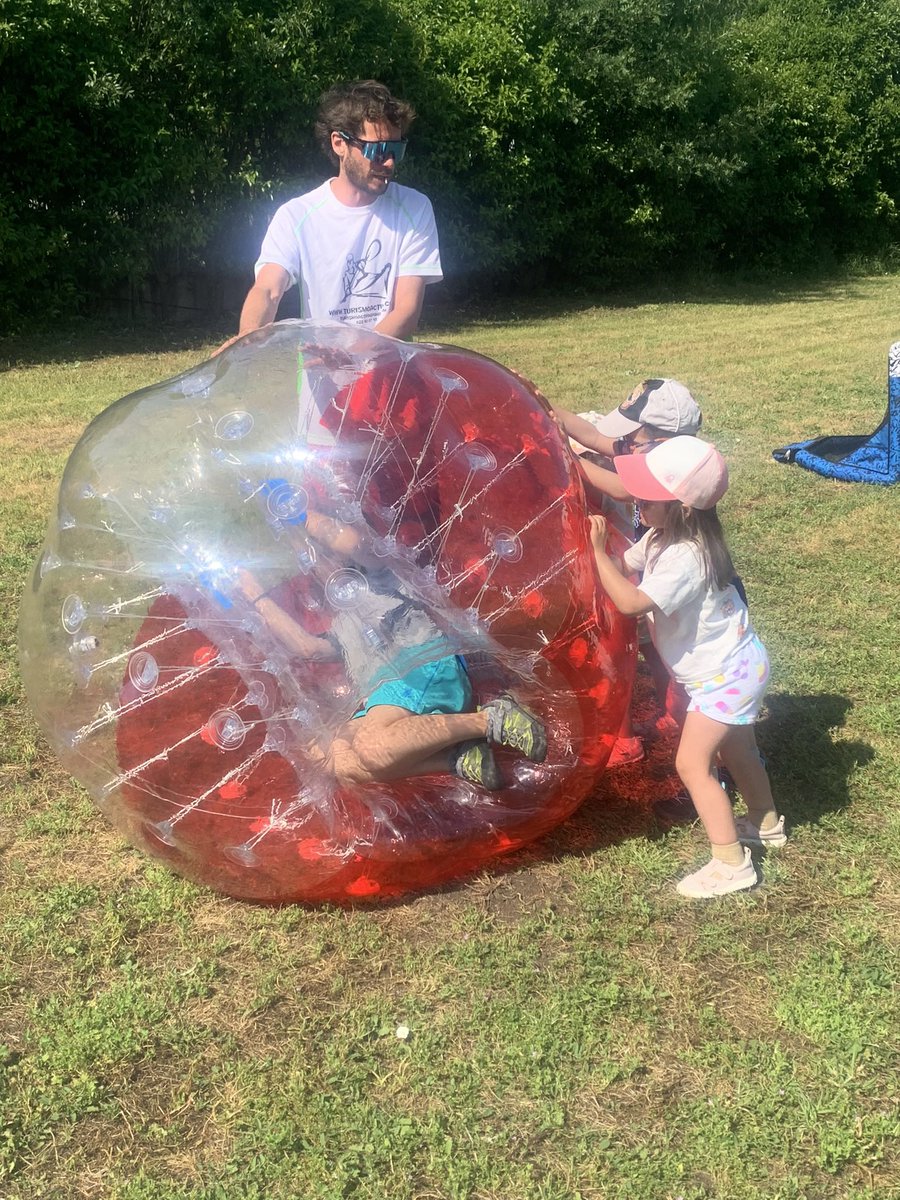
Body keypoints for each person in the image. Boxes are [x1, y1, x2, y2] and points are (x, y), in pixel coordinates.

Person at [589, 436, 786, 898]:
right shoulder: (661, 536)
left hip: (727, 676)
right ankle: (766, 822)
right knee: (738, 751)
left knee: (692, 765)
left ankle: (731, 863)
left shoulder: (686, 556)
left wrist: (597, 555)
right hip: (735, 666)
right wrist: (601, 554)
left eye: (647, 495)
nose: (636, 500)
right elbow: (627, 563)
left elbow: (633, 601)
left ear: (680, 505)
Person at [238, 506, 546, 790]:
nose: (312, 563)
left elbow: (357, 545)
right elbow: (307, 648)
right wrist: (255, 596)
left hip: (422, 668)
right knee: (326, 754)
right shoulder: (343, 621)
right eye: (306, 560)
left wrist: (299, 515)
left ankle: (492, 720)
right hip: (385, 695)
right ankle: (457, 755)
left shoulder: (383, 575)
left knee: (372, 748)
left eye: (315, 553)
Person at [219, 79, 442, 351]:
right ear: (339, 143)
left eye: (396, 150)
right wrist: (248, 337)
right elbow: (268, 289)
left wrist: (349, 355)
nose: (390, 162)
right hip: (319, 383)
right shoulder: (297, 216)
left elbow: (405, 311)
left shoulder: (414, 208)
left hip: (391, 384)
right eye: (378, 150)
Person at [558, 380, 704, 764]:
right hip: (647, 559)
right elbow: (593, 434)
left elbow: (622, 487)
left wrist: (566, 459)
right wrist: (543, 407)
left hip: (669, 575)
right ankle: (675, 716)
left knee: (654, 646)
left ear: (662, 441)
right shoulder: (652, 451)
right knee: (655, 645)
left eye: (632, 439)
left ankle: (681, 726)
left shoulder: (670, 471)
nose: (623, 447)